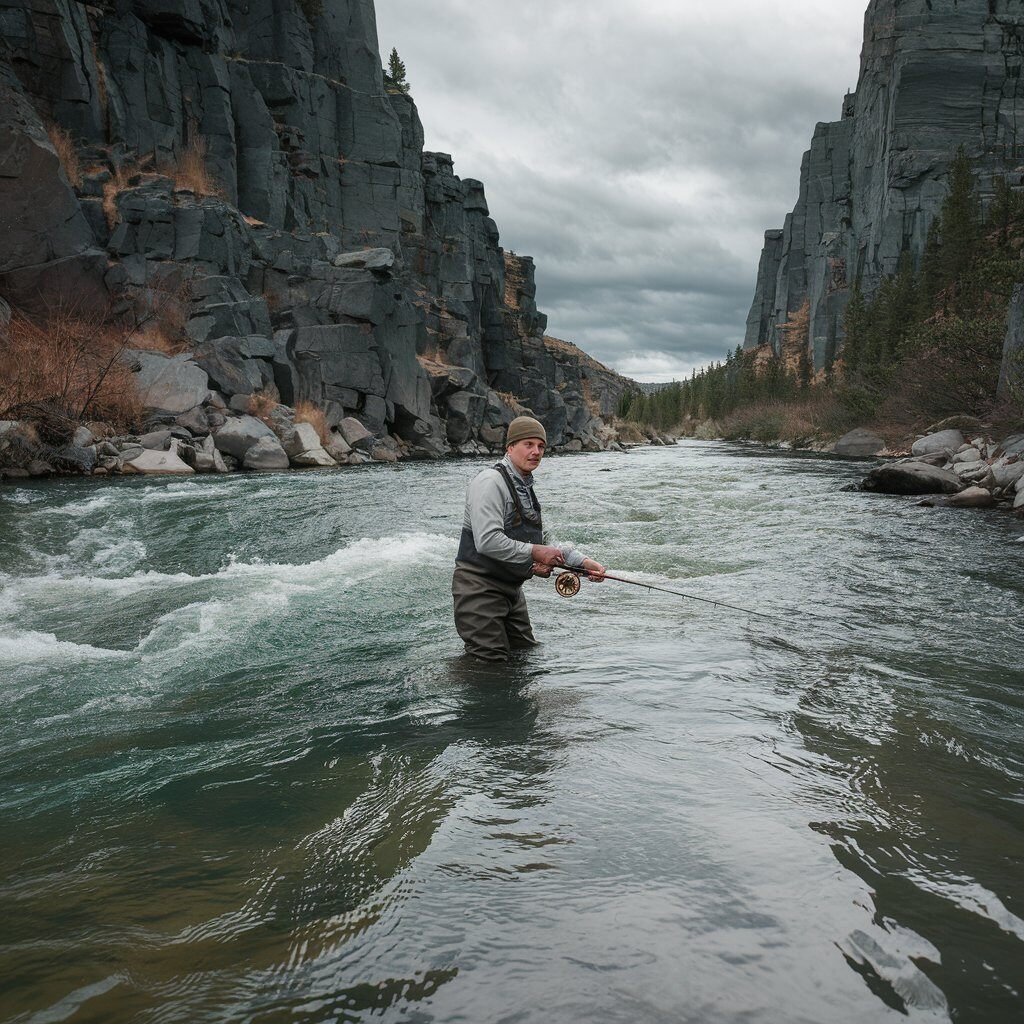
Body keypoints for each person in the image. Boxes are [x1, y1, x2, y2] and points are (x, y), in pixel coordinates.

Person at [452, 415, 606, 662]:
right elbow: (487, 541)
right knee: (490, 663)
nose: (536, 452)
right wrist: (535, 553)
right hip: (478, 589)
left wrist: (582, 563)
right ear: (510, 447)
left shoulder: (524, 484)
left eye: (541, 446)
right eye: (528, 444)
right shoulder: (490, 483)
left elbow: (543, 541)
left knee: (525, 656)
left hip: (511, 589)